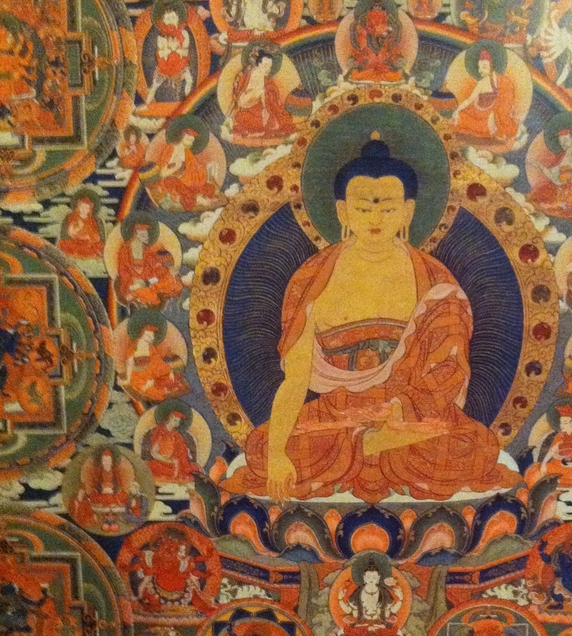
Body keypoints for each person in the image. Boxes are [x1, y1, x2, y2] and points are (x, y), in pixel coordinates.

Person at [221, 136, 521, 502]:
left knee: (471, 446)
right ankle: (370, 446)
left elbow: (448, 372)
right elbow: (296, 380)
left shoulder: (435, 281)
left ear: (408, 211)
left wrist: (400, 411)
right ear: (342, 212)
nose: (375, 219)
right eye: (363, 208)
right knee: (264, 447)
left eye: (388, 208)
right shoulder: (313, 279)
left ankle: (370, 447)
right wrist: (278, 454)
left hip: (410, 420)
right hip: (339, 414)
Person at [221, 47, 295, 143]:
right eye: (265, 66)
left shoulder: (265, 78)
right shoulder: (248, 77)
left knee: (283, 118)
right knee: (247, 121)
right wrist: (258, 94)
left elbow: (272, 95)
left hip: (264, 109)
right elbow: (241, 101)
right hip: (250, 110)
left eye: (269, 66)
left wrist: (267, 94)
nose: (268, 69)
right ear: (258, 64)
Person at [141, 124, 218, 211]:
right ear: (182, 137)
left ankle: (203, 197)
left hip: (186, 179)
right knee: (183, 190)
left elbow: (194, 167)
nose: (191, 143)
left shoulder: (187, 152)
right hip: (170, 178)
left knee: (209, 188)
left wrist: (204, 168)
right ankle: (199, 200)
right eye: (189, 140)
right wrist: (175, 168)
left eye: (192, 141)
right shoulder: (171, 148)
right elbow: (163, 169)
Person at [452, 47, 518, 145]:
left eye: (484, 67)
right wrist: (457, 110)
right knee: (461, 117)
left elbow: (506, 96)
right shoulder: (482, 83)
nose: (480, 71)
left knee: (490, 123)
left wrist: (498, 112)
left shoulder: (500, 80)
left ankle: (492, 131)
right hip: (478, 112)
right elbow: (469, 99)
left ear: (491, 66)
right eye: (479, 68)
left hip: (492, 114)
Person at [525, 402, 572, 489]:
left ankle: (565, 480)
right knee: (536, 471)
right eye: (561, 423)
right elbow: (552, 451)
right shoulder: (560, 436)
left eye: (565, 422)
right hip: (560, 464)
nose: (562, 425)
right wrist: (544, 463)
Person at [115, 218, 183, 308]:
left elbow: (156, 268)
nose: (147, 237)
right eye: (143, 235)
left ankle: (145, 292)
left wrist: (148, 280)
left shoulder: (148, 250)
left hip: (147, 279)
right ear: (136, 234)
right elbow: (122, 271)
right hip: (131, 281)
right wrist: (135, 280)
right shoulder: (124, 250)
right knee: (142, 292)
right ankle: (138, 296)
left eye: (147, 234)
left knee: (170, 279)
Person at [124, 319, 188, 402]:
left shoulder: (150, 347)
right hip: (139, 374)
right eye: (149, 335)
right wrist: (128, 380)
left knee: (170, 378)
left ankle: (164, 386)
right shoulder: (133, 347)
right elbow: (129, 364)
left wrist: (169, 371)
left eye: (152, 336)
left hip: (152, 371)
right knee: (152, 390)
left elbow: (157, 360)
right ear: (142, 334)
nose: (151, 338)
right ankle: (154, 387)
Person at [142, 405, 199, 484]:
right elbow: (153, 452)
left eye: (178, 422)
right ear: (170, 418)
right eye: (175, 420)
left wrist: (178, 460)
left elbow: (181, 450)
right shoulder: (160, 431)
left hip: (174, 463)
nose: (177, 424)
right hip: (162, 462)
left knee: (193, 469)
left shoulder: (176, 434)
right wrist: (167, 461)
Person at [58, 192, 104, 260]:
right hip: (75, 242)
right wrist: (78, 235)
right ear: (78, 207)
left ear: (90, 209)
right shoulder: (71, 217)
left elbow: (96, 236)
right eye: (82, 207)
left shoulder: (93, 220)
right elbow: (68, 233)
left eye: (86, 207)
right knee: (65, 245)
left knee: (98, 246)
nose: (84, 209)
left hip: (88, 243)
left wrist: (89, 237)